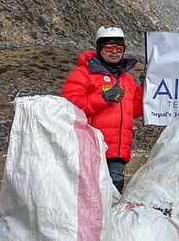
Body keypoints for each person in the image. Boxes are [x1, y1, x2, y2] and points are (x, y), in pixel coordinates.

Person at [61, 26, 143, 192]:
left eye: (119, 48)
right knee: (91, 195)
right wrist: (102, 98)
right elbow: (68, 106)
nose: (114, 52)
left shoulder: (126, 79)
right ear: (99, 49)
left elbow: (133, 111)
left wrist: (144, 89)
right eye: (109, 48)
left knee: (113, 193)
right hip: (91, 148)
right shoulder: (82, 74)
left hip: (117, 152)